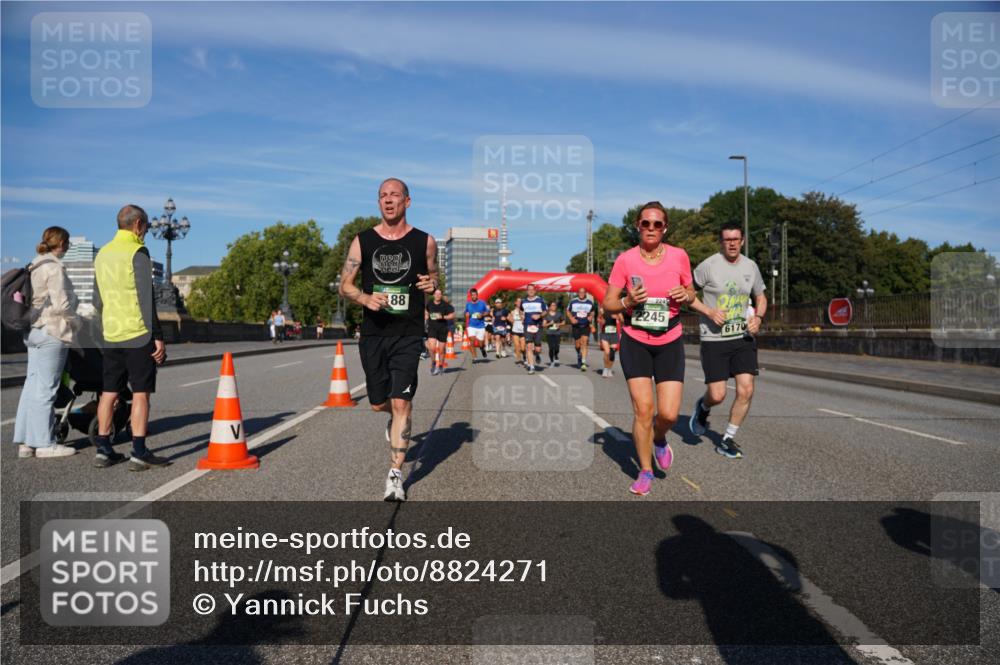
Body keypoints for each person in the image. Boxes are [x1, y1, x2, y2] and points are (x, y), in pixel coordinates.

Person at [339, 178, 437, 501]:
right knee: (379, 403)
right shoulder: (362, 241)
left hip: (408, 333)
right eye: (383, 196)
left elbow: (434, 280)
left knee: (402, 402)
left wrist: (431, 286)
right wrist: (364, 299)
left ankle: (395, 475)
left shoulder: (425, 242)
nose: (388, 200)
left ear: (407, 201)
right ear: (378, 202)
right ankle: (391, 418)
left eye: (395, 195)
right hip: (374, 334)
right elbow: (345, 285)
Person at [602, 201, 695, 496]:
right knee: (644, 410)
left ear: (664, 227)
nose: (651, 228)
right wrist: (627, 302)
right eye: (646, 223)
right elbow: (608, 302)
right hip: (636, 339)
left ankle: (659, 439)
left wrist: (686, 293)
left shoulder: (679, 256)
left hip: (669, 339)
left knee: (667, 414)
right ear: (637, 226)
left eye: (657, 224)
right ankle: (645, 470)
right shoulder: (626, 261)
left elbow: (691, 292)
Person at [92, 205, 170, 471]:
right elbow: (146, 298)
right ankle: (138, 451)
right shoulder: (137, 251)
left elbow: (96, 299)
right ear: (137, 224)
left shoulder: (102, 253)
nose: (146, 232)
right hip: (137, 333)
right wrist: (157, 336)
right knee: (140, 393)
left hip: (111, 332)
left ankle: (103, 449)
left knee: (109, 392)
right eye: (146, 226)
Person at [687, 222, 768, 460]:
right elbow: (687, 295)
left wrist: (759, 318)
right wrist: (709, 312)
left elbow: (761, 296)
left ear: (742, 240)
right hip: (714, 339)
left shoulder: (750, 266)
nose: (732, 243)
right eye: (727, 239)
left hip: (742, 337)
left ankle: (727, 439)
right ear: (721, 242)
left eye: (736, 239)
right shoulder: (708, 266)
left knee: (746, 389)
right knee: (718, 394)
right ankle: (703, 408)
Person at [13, 227, 80, 458]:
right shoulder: (54, 268)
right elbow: (63, 306)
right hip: (52, 331)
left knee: (31, 386)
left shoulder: (35, 264)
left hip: (32, 331)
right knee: (46, 389)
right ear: (61, 243)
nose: (69, 246)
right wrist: (77, 322)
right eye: (68, 242)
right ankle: (44, 443)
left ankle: (25, 442)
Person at [425, 288, 455, 375]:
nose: (437, 295)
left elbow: (452, 315)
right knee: (432, 348)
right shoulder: (430, 303)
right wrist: (426, 316)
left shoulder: (445, 305)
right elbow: (426, 310)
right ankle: (434, 362)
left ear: (441, 295)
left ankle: (441, 365)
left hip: (442, 329)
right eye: (436, 294)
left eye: (439, 294)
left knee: (441, 350)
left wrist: (442, 317)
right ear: (433, 295)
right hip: (432, 328)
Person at [519, 283, 546, 374]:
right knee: (529, 346)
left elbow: (545, 312)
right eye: (529, 289)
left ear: (535, 290)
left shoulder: (540, 300)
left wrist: (539, 315)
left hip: (538, 326)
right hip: (527, 326)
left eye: (532, 289)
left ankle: (537, 354)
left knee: (537, 348)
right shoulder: (523, 301)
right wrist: (522, 317)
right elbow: (521, 311)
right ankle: (531, 366)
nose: (530, 291)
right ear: (527, 291)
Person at [566, 288, 595, 371]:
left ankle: (583, 362)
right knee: (577, 344)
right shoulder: (573, 301)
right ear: (578, 293)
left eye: (583, 292)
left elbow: (592, 311)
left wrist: (590, 316)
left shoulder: (589, 302)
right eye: (580, 292)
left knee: (584, 342)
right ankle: (579, 354)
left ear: (585, 293)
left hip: (585, 325)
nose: (581, 293)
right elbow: (568, 311)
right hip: (576, 325)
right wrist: (571, 318)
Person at [464, 288, 489, 362]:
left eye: (475, 295)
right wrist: (466, 314)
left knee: (481, 343)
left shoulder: (482, 303)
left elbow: (487, 312)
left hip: (481, 326)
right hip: (471, 325)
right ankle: (474, 357)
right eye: (472, 295)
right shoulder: (468, 304)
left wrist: (482, 315)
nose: (473, 296)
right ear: (471, 296)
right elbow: (466, 313)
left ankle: (482, 349)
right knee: (472, 341)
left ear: (477, 295)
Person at [598, 306, 623, 378]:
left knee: (612, 353)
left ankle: (609, 369)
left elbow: (622, 321)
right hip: (605, 333)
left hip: (614, 334)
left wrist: (618, 317)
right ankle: (605, 369)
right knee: (607, 352)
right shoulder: (602, 310)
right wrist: (601, 321)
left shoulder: (616, 311)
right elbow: (598, 319)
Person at [543, 300, 565, 367]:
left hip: (557, 333)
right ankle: (552, 361)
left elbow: (563, 322)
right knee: (551, 348)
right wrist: (549, 323)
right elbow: (543, 325)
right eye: (552, 305)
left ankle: (556, 355)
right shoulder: (546, 315)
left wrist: (559, 324)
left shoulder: (559, 314)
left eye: (555, 305)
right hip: (549, 333)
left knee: (557, 347)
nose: (554, 307)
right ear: (549, 307)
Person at [510, 297, 526, 366]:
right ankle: (519, 360)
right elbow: (509, 318)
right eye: (518, 301)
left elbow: (526, 320)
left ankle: (524, 355)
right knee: (517, 346)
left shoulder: (525, 311)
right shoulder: (512, 312)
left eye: (521, 302)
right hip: (515, 330)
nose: (519, 303)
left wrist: (522, 317)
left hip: (523, 331)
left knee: (523, 347)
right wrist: (512, 321)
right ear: (515, 303)